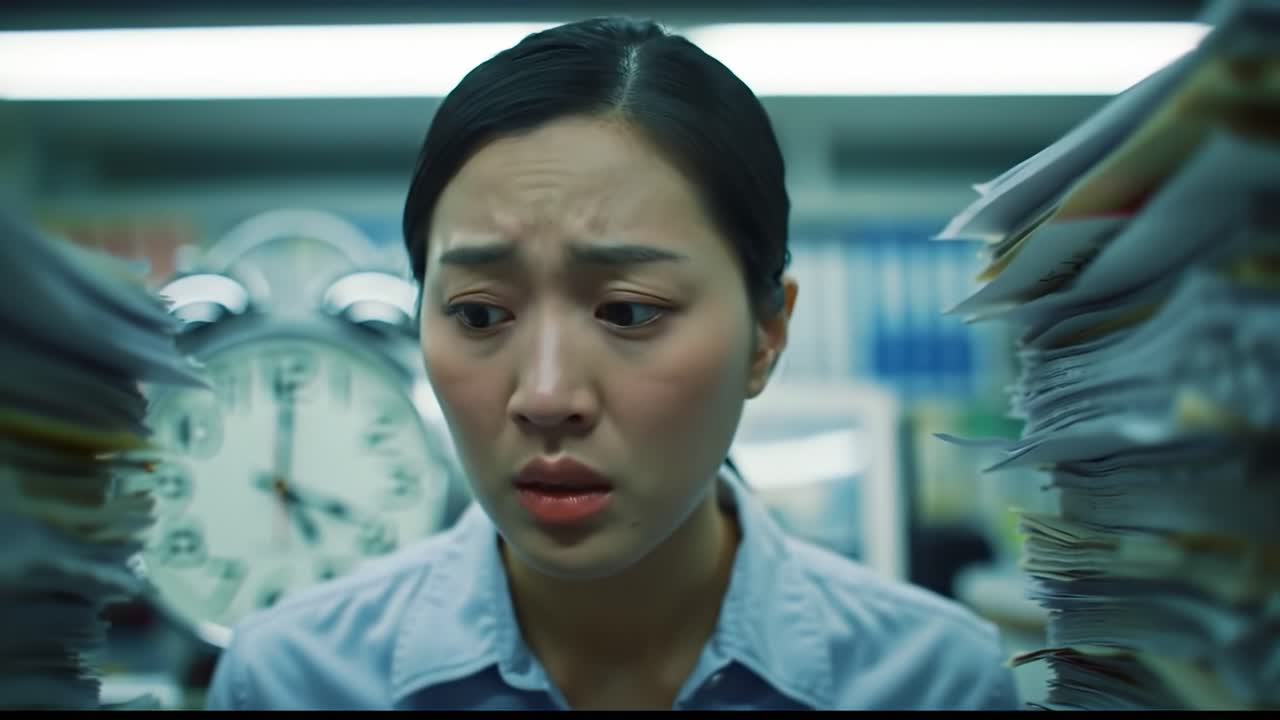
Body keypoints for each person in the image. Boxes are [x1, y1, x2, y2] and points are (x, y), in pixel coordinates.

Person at [204, 17, 1021, 711]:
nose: (548, 395)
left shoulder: (932, 681)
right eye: (480, 314)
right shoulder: (293, 679)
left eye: (629, 312)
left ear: (767, 335)